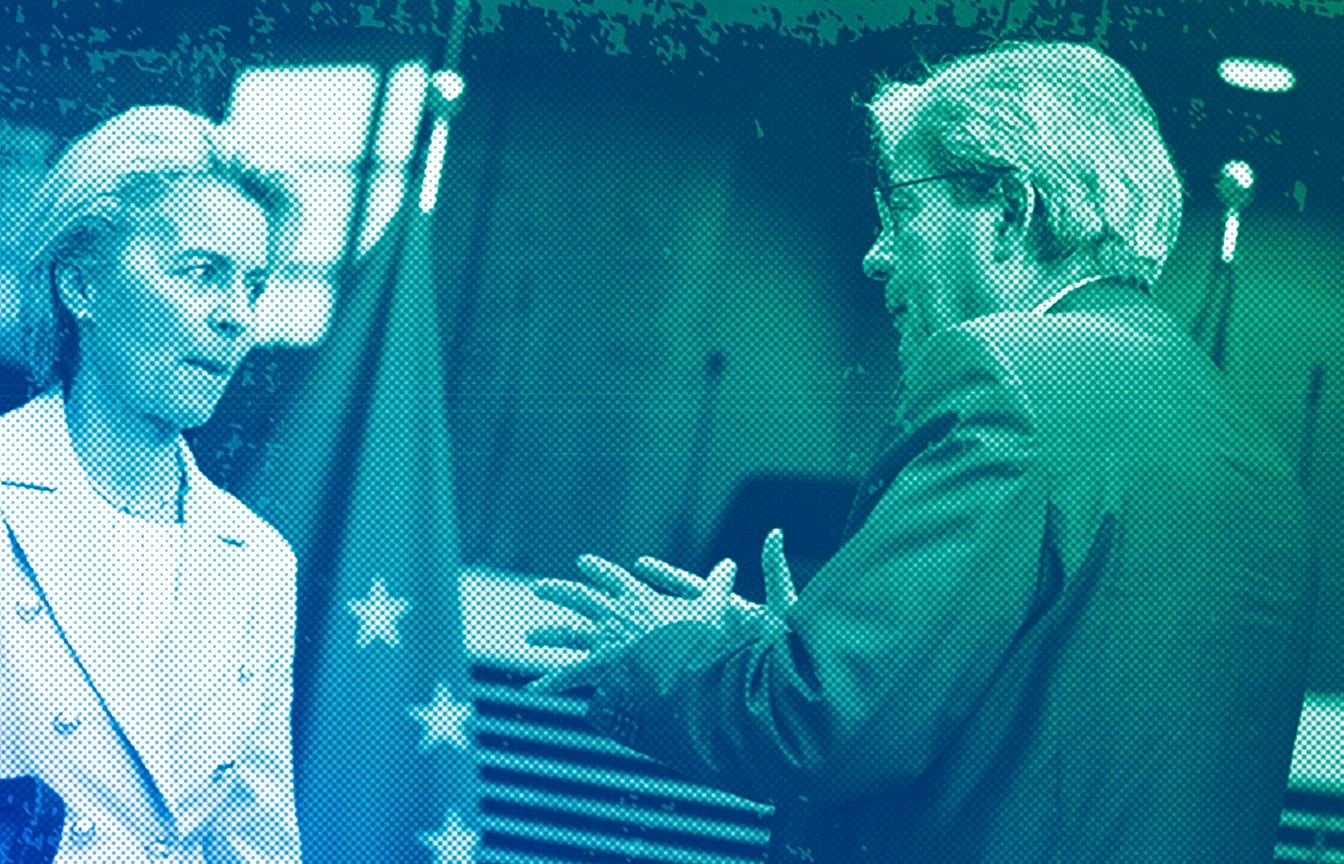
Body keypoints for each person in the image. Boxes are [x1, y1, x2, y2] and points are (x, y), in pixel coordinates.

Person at [527, 40, 1316, 862]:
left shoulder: (1007, 376)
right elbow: (1052, 715)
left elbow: (821, 722)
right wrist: (789, 644)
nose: (875, 255)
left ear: (1010, 210)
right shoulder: (1259, 461)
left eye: (898, 210)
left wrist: (661, 655)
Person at [0, 105, 304, 863]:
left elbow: (256, 838)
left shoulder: (260, 561)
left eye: (254, 286)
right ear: (81, 286)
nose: (237, 316)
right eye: (202, 272)